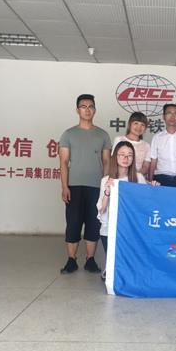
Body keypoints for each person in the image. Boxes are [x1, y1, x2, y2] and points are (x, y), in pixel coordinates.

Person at [59, 94, 111, 275]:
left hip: (96, 187)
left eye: (91, 106)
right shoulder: (69, 134)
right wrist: (64, 186)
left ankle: (90, 260)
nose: (87, 110)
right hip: (73, 186)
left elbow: (107, 162)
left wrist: (105, 187)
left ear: (95, 110)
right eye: (83, 106)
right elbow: (63, 162)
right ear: (77, 110)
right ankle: (71, 260)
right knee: (73, 223)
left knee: (93, 223)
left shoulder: (103, 135)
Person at [96, 141, 156, 279]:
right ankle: (109, 268)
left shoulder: (138, 178)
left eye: (129, 155)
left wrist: (153, 189)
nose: (125, 158)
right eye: (122, 154)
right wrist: (107, 192)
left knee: (130, 265)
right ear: (115, 157)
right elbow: (102, 209)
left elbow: (145, 204)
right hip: (111, 227)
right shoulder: (106, 180)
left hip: (131, 228)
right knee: (113, 266)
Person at [112, 112, 151, 177]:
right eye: (136, 123)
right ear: (129, 124)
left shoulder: (146, 145)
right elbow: (113, 161)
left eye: (142, 125)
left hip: (137, 179)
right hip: (119, 178)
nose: (139, 127)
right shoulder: (119, 139)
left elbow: (146, 167)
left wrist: (134, 176)